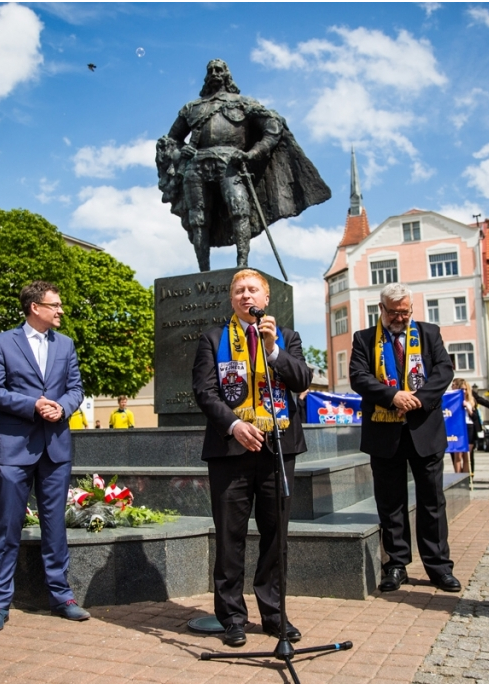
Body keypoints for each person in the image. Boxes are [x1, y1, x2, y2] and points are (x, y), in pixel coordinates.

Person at [192, 269, 312, 648]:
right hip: (231, 451)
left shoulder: (287, 337)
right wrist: (233, 425)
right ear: (232, 300)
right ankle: (232, 617)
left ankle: (275, 615)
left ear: (266, 298)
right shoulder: (213, 339)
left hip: (278, 448)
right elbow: (204, 391)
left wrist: (274, 349)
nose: (247, 296)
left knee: (276, 535)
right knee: (230, 536)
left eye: (253, 290)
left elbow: (302, 379)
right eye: (239, 291)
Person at [0, 281, 87, 633]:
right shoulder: (2, 342)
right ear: (34, 307)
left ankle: (62, 596)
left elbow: (75, 388)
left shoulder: (66, 344)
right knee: (8, 526)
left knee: (55, 526)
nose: (60, 311)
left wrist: (64, 407)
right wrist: (32, 405)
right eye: (54, 305)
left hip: (56, 447)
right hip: (15, 447)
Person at [157, 60, 329, 271]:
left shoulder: (243, 103)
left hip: (231, 163)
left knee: (239, 210)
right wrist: (179, 152)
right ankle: (203, 272)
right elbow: (171, 140)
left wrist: (251, 154)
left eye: (219, 70)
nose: (214, 73)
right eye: (210, 70)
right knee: (198, 219)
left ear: (227, 74)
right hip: (197, 165)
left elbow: (273, 128)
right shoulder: (192, 108)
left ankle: (242, 267)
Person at [349, 283, 461, 594]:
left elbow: (443, 370)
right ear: (381, 310)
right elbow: (359, 377)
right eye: (394, 312)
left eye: (405, 312)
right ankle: (395, 564)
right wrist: (392, 396)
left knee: (432, 501)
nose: (400, 317)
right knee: (390, 502)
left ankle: (439, 566)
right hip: (384, 433)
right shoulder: (364, 339)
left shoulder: (429, 333)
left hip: (424, 429)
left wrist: (418, 398)